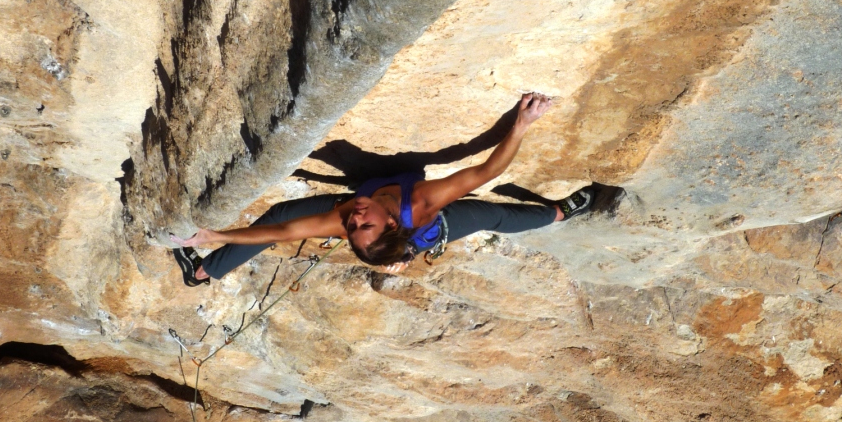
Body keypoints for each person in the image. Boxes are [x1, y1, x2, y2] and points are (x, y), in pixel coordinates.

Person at [170, 93, 595, 285]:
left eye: (352, 228)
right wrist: (521, 125)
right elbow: (484, 172)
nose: (353, 217)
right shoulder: (424, 203)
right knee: (493, 215)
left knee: (285, 215)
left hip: (395, 240)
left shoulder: (345, 221)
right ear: (390, 220)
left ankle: (205, 269)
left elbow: (282, 234)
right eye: (363, 222)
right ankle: (558, 213)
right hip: (436, 228)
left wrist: (213, 236)